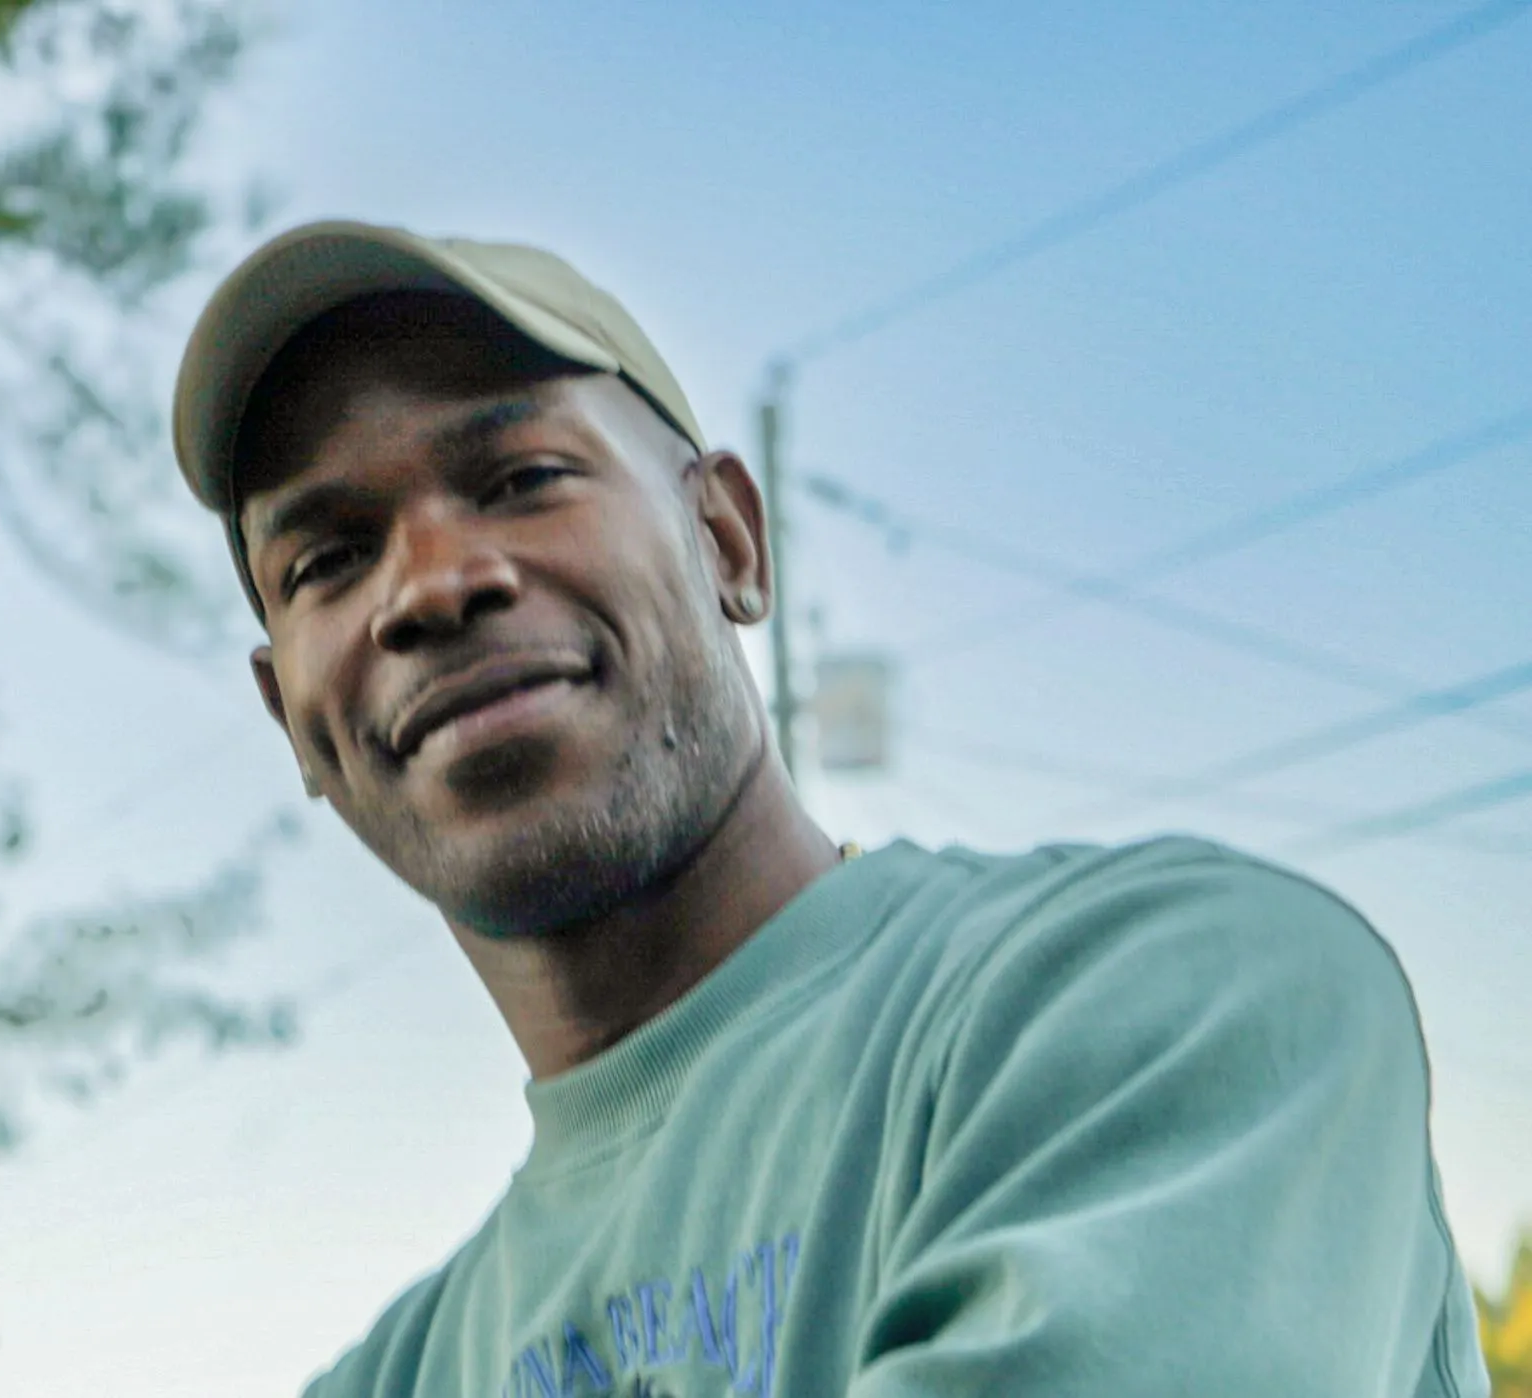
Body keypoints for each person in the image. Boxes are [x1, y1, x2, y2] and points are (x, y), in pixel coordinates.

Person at [169, 220, 1489, 1397]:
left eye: (523, 479)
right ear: (291, 719)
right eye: (328, 559)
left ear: (729, 541)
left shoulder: (1179, 999)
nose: (430, 586)